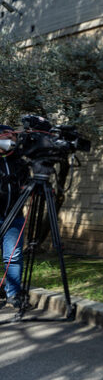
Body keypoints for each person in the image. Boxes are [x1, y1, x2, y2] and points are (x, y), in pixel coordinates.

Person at [0, 125, 28, 309]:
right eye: (6, 136)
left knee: (13, 256)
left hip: (14, 216)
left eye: (13, 136)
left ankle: (13, 294)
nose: (10, 139)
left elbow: (26, 187)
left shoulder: (20, 162)